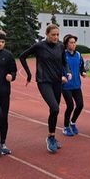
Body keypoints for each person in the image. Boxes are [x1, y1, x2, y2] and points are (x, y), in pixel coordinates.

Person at [19, 24, 70, 153]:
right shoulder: (39, 46)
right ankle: (51, 137)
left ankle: (52, 136)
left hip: (57, 82)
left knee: (55, 111)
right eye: (53, 35)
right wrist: (29, 74)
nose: (56, 37)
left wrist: (67, 72)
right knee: (55, 107)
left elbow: (64, 62)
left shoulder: (60, 46)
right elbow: (22, 56)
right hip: (44, 82)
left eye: (57, 34)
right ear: (47, 34)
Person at [61, 34, 86, 136]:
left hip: (76, 85)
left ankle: (73, 123)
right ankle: (66, 127)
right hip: (66, 85)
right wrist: (61, 77)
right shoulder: (62, 55)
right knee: (70, 106)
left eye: (74, 42)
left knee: (80, 105)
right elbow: (57, 67)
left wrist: (83, 72)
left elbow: (81, 67)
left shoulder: (79, 55)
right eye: (71, 42)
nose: (73, 44)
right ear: (66, 44)